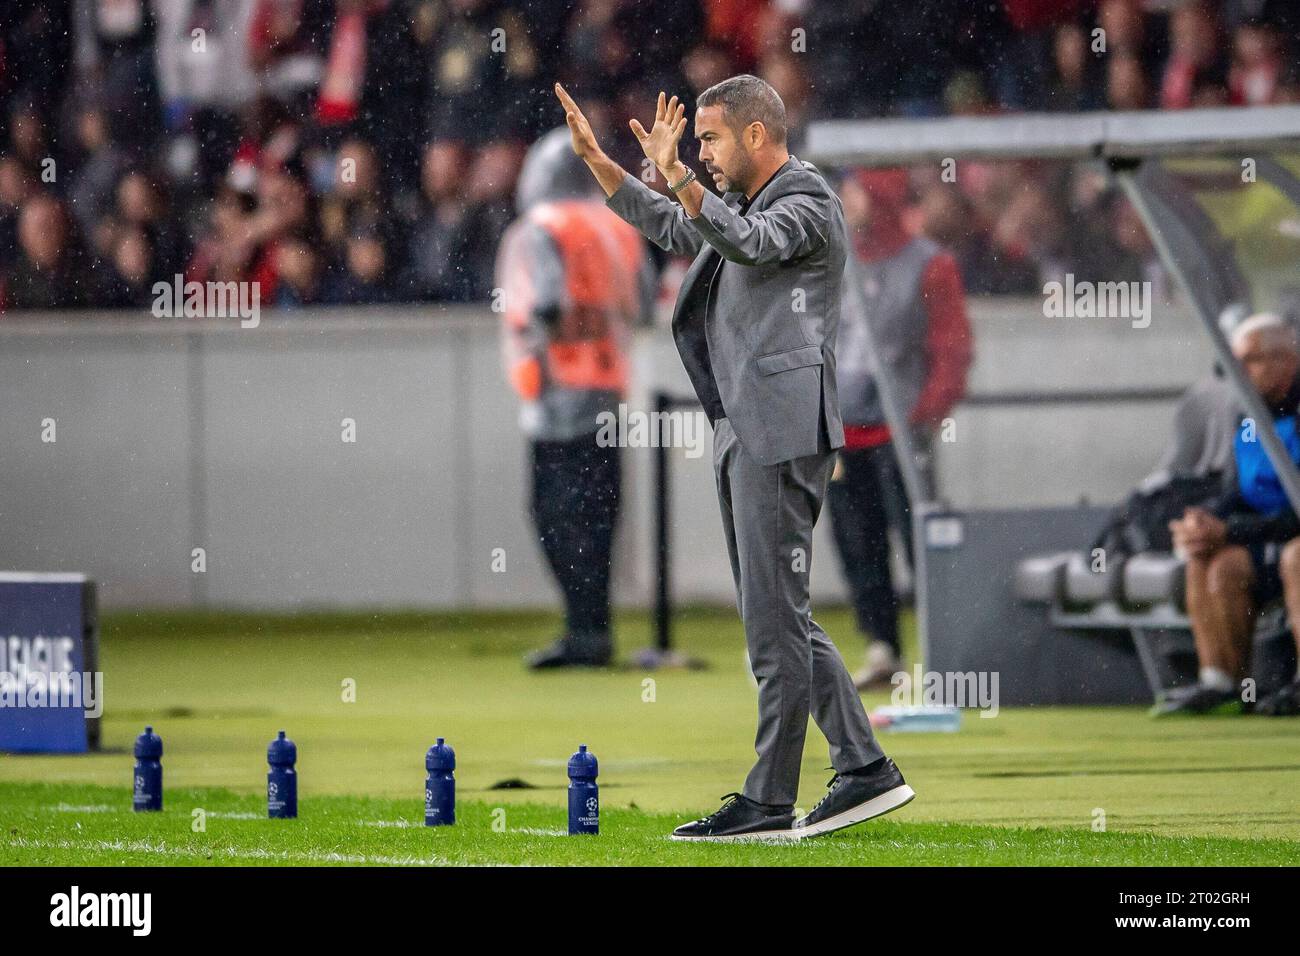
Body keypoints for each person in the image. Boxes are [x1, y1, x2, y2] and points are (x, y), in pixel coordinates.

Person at [555, 75, 914, 840]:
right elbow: (686, 230)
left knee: (772, 622)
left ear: (758, 135)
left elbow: (742, 242)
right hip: (747, 426)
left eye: (711, 138)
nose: (702, 155)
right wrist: (604, 165)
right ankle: (863, 768)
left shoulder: (806, 199)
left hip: (779, 429)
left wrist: (679, 176)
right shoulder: (748, 201)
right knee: (779, 613)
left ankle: (769, 799)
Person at [496, 126, 654, 669]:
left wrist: (541, 343)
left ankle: (582, 630)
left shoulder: (543, 227)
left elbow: (545, 304)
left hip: (556, 390)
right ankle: (594, 628)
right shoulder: (618, 226)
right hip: (609, 388)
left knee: (553, 512)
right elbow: (646, 306)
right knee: (599, 515)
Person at [832, 169, 972, 690]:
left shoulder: (929, 264)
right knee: (856, 542)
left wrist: (923, 416)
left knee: (917, 541)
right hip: (845, 431)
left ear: (879, 196)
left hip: (899, 430)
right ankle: (882, 647)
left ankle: (945, 650)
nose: (844, 201)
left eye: (854, 192)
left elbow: (951, 349)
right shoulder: (833, 260)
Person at [1162, 314, 1300, 716]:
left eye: (1249, 360)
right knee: (1214, 561)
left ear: (1287, 359)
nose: (1237, 373)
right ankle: (1224, 683)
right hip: (1266, 534)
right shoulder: (1248, 418)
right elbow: (1235, 494)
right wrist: (1203, 522)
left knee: (1297, 556)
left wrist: (1232, 529)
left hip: (1290, 537)